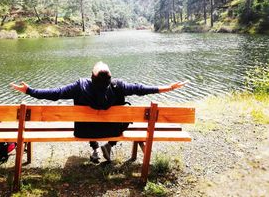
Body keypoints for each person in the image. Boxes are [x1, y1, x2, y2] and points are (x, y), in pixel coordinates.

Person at [11, 61, 188, 163]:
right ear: (109, 78)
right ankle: (109, 145)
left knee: (85, 114)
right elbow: (142, 89)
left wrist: (30, 91)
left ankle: (95, 148)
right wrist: (168, 88)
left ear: (92, 77)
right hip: (113, 131)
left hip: (84, 131)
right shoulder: (119, 86)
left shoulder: (79, 86)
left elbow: (55, 94)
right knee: (126, 109)